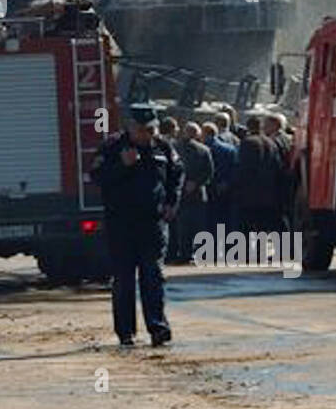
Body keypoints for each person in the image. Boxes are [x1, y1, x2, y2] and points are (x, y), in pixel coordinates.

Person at [90, 103, 183, 347]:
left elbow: (177, 175)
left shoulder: (163, 147)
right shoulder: (112, 147)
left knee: (153, 276)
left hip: (152, 223)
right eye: (142, 130)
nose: (147, 135)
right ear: (130, 127)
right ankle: (126, 332)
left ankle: (158, 328)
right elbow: (97, 177)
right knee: (123, 279)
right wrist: (122, 165)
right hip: (121, 224)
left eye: (151, 130)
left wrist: (172, 202)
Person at [175, 122, 214, 261]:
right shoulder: (204, 150)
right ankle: (200, 252)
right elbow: (209, 173)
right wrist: (197, 183)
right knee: (199, 225)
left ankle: (182, 252)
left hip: (180, 192)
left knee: (181, 225)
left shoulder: (175, 148)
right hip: (198, 193)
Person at [235, 116, 281, 231]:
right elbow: (278, 165)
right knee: (262, 229)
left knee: (246, 228)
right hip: (268, 193)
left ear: (248, 127)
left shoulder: (248, 142)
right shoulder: (271, 143)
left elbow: (243, 168)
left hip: (249, 194)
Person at [202, 121, 238, 232]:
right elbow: (235, 169)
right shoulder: (230, 149)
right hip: (224, 189)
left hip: (207, 189)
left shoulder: (202, 149)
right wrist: (227, 183)